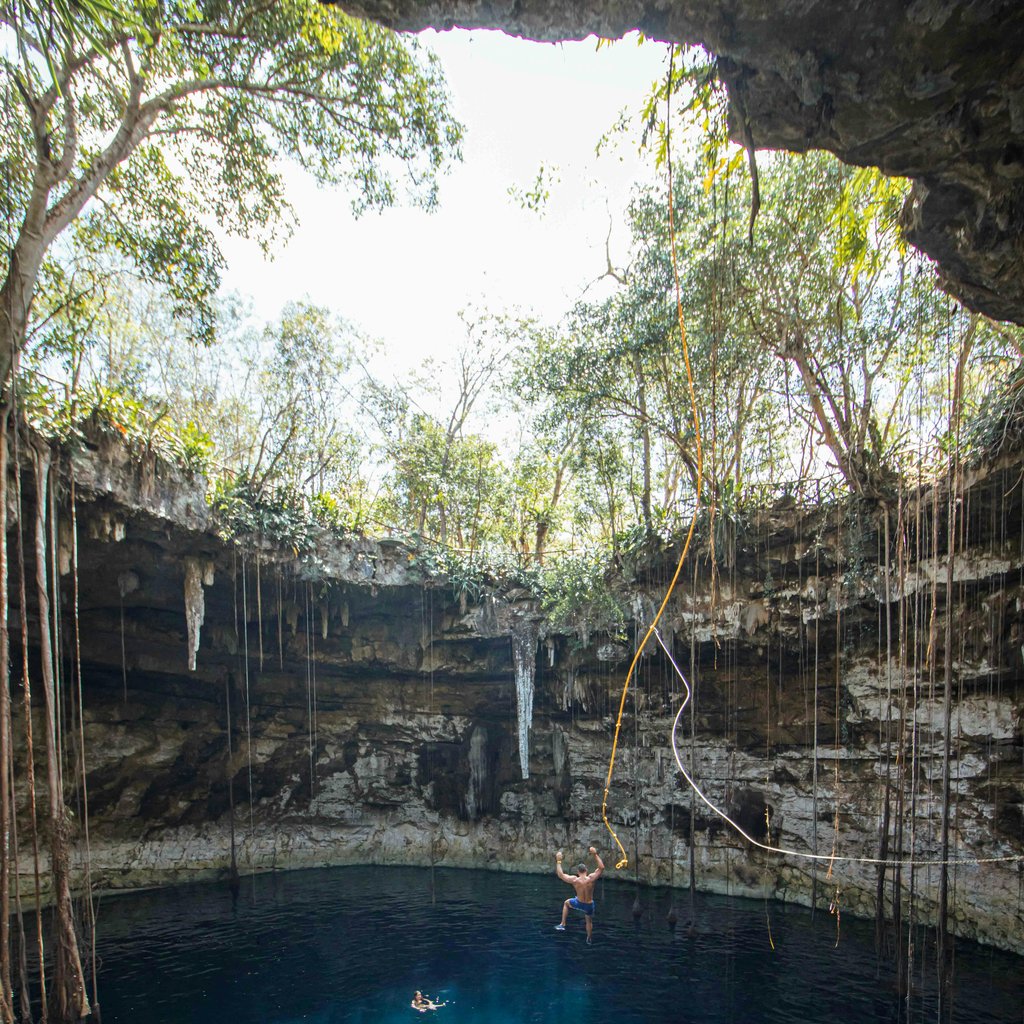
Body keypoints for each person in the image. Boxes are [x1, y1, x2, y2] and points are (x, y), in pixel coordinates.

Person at [554, 845, 604, 943]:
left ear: (578, 871)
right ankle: (589, 938)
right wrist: (595, 854)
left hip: (579, 903)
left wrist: (558, 860)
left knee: (566, 903)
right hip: (589, 905)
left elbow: (560, 875)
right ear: (586, 870)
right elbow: (601, 867)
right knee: (589, 921)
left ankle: (563, 924)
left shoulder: (575, 880)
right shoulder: (591, 878)